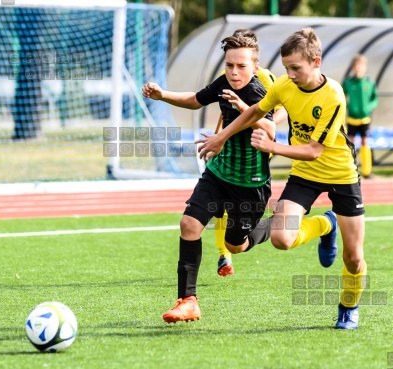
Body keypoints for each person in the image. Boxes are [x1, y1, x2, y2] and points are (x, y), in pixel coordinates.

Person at [197, 27, 368, 329]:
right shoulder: (284, 86)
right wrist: (220, 137)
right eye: (286, 67)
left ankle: (348, 306)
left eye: (296, 68)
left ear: (317, 62)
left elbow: (315, 150)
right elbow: (253, 113)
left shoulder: (333, 95)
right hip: (303, 176)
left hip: (341, 175)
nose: (288, 74)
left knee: (354, 257)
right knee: (281, 238)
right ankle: (326, 224)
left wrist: (272, 146)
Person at [142, 35, 275, 323]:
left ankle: (277, 223)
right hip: (218, 174)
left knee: (236, 245)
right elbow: (195, 100)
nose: (234, 72)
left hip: (250, 186)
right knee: (189, 224)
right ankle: (187, 301)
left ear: (255, 66)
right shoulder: (223, 82)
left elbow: (271, 128)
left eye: (241, 66)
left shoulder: (259, 92)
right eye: (229, 65)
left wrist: (241, 108)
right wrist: (162, 95)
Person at [213, 28, 288, 278]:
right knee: (220, 202)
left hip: (255, 146)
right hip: (231, 145)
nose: (235, 68)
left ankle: (235, 243)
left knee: (235, 199)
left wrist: (267, 127)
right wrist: (218, 138)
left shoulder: (264, 79)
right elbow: (226, 112)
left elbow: (283, 109)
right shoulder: (230, 75)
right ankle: (224, 253)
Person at [342, 54, 378, 179]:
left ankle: (367, 172)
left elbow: (375, 99)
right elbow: (341, 97)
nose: (358, 69)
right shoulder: (348, 83)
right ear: (353, 67)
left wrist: (369, 107)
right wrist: (348, 106)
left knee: (365, 142)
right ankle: (350, 170)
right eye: (356, 66)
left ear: (365, 68)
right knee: (351, 143)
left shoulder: (369, 83)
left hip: (365, 118)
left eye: (361, 66)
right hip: (352, 118)